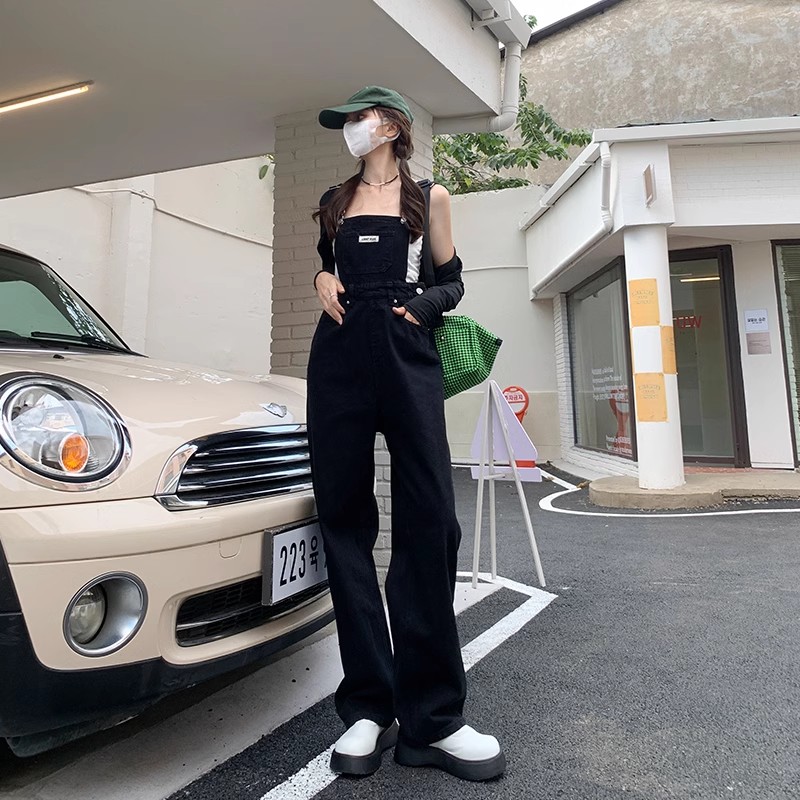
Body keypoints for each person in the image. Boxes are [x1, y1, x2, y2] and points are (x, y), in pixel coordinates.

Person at [307, 86, 505, 783]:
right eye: (347, 121)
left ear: (391, 125)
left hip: (406, 354)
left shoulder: (429, 199)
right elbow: (327, 264)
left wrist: (421, 309)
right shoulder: (335, 201)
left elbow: (452, 282)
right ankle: (369, 706)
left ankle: (434, 720)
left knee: (431, 520)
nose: (352, 129)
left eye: (360, 118)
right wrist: (321, 276)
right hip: (337, 360)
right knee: (343, 519)